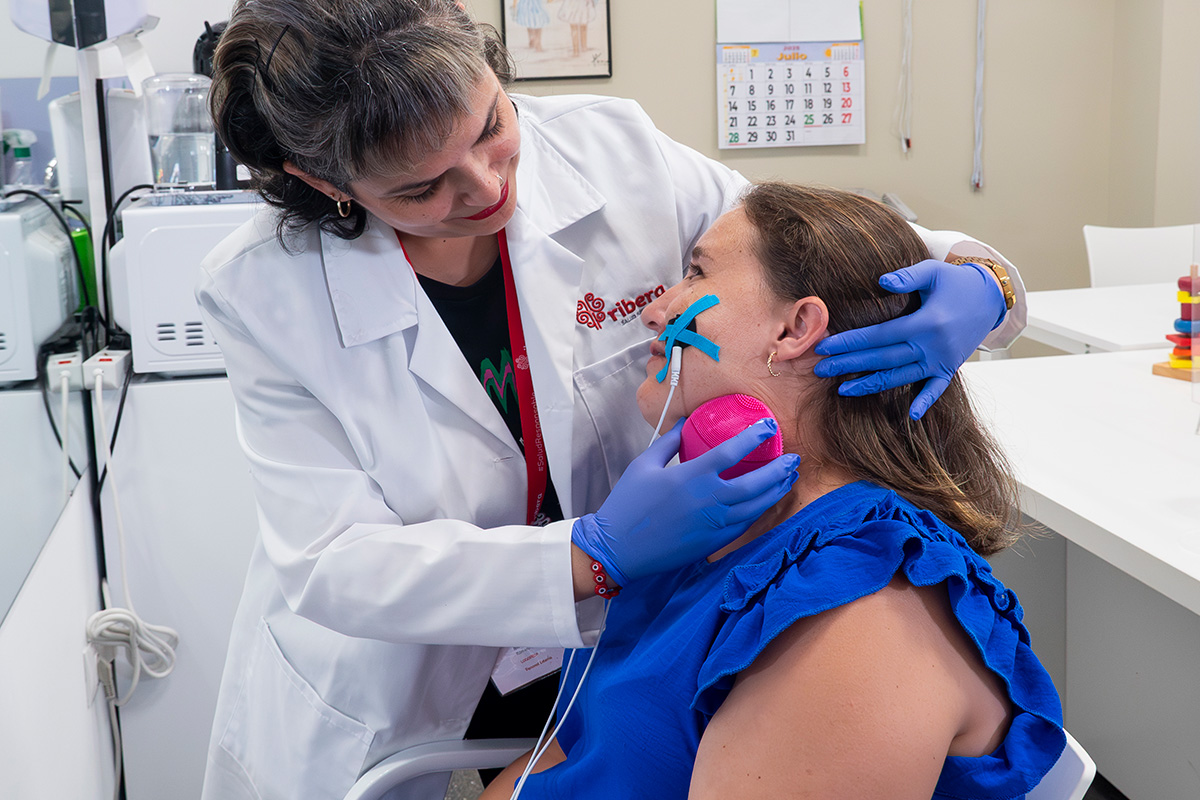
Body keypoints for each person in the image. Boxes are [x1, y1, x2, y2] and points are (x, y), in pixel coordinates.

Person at [197, 1, 1027, 798]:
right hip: (408, 665)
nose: (486, 185)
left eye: (492, 127)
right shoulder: (263, 290)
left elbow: (799, 254)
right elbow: (334, 563)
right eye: (421, 188)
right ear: (325, 180)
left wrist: (977, 278)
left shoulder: (609, 150)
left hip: (603, 657)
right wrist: (593, 553)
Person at [479, 184, 1063, 800]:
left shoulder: (863, 613)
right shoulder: (711, 522)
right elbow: (572, 751)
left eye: (695, 273)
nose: (654, 311)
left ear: (796, 327)